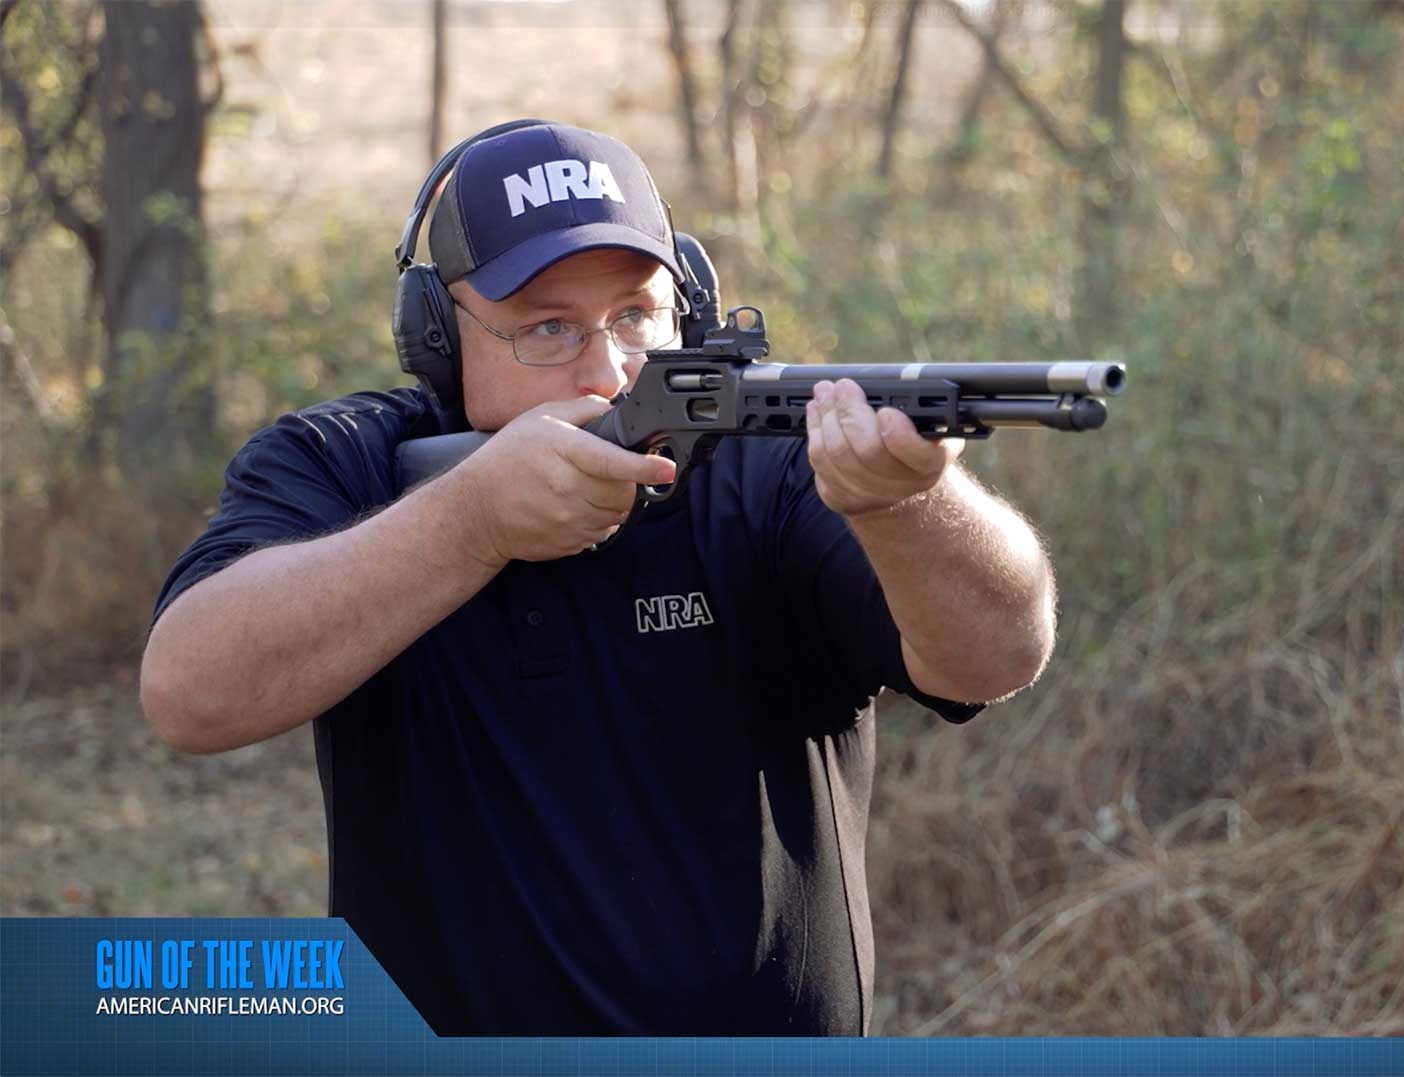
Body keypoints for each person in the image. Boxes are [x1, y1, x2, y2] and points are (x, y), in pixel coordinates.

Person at [139, 121, 1056, 1036]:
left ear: (688, 312)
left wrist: (910, 504)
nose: (609, 368)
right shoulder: (347, 465)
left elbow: (1000, 653)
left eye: (634, 315)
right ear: (437, 338)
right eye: (547, 325)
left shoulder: (769, 467)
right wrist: (469, 524)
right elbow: (189, 694)